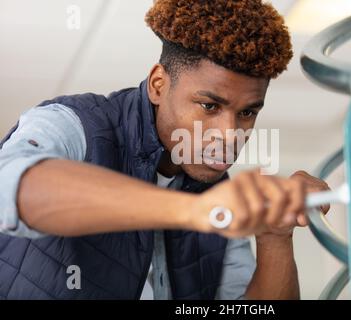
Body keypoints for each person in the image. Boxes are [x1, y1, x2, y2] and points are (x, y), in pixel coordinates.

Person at [0, 0, 329, 300]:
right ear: (159, 84)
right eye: (209, 105)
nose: (230, 135)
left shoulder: (221, 195)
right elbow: (11, 188)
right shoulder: (75, 124)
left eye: (247, 113)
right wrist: (194, 211)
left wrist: (274, 235)